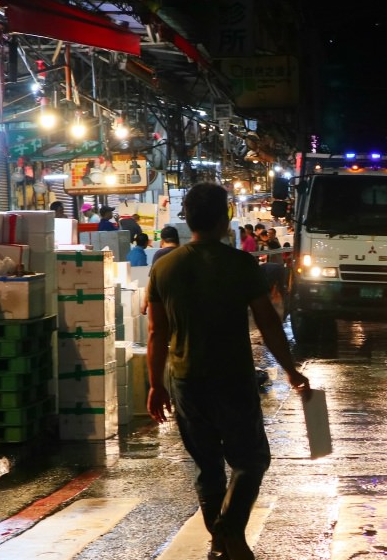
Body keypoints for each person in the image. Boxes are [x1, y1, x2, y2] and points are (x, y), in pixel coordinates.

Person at [146, 182, 310, 560]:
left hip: (186, 381)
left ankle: (221, 543)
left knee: (208, 467)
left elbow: (157, 332)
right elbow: (268, 323)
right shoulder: (240, 264)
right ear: (225, 220)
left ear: (188, 220)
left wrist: (157, 385)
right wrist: (290, 370)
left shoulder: (164, 266)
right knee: (251, 461)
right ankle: (230, 530)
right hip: (232, 379)